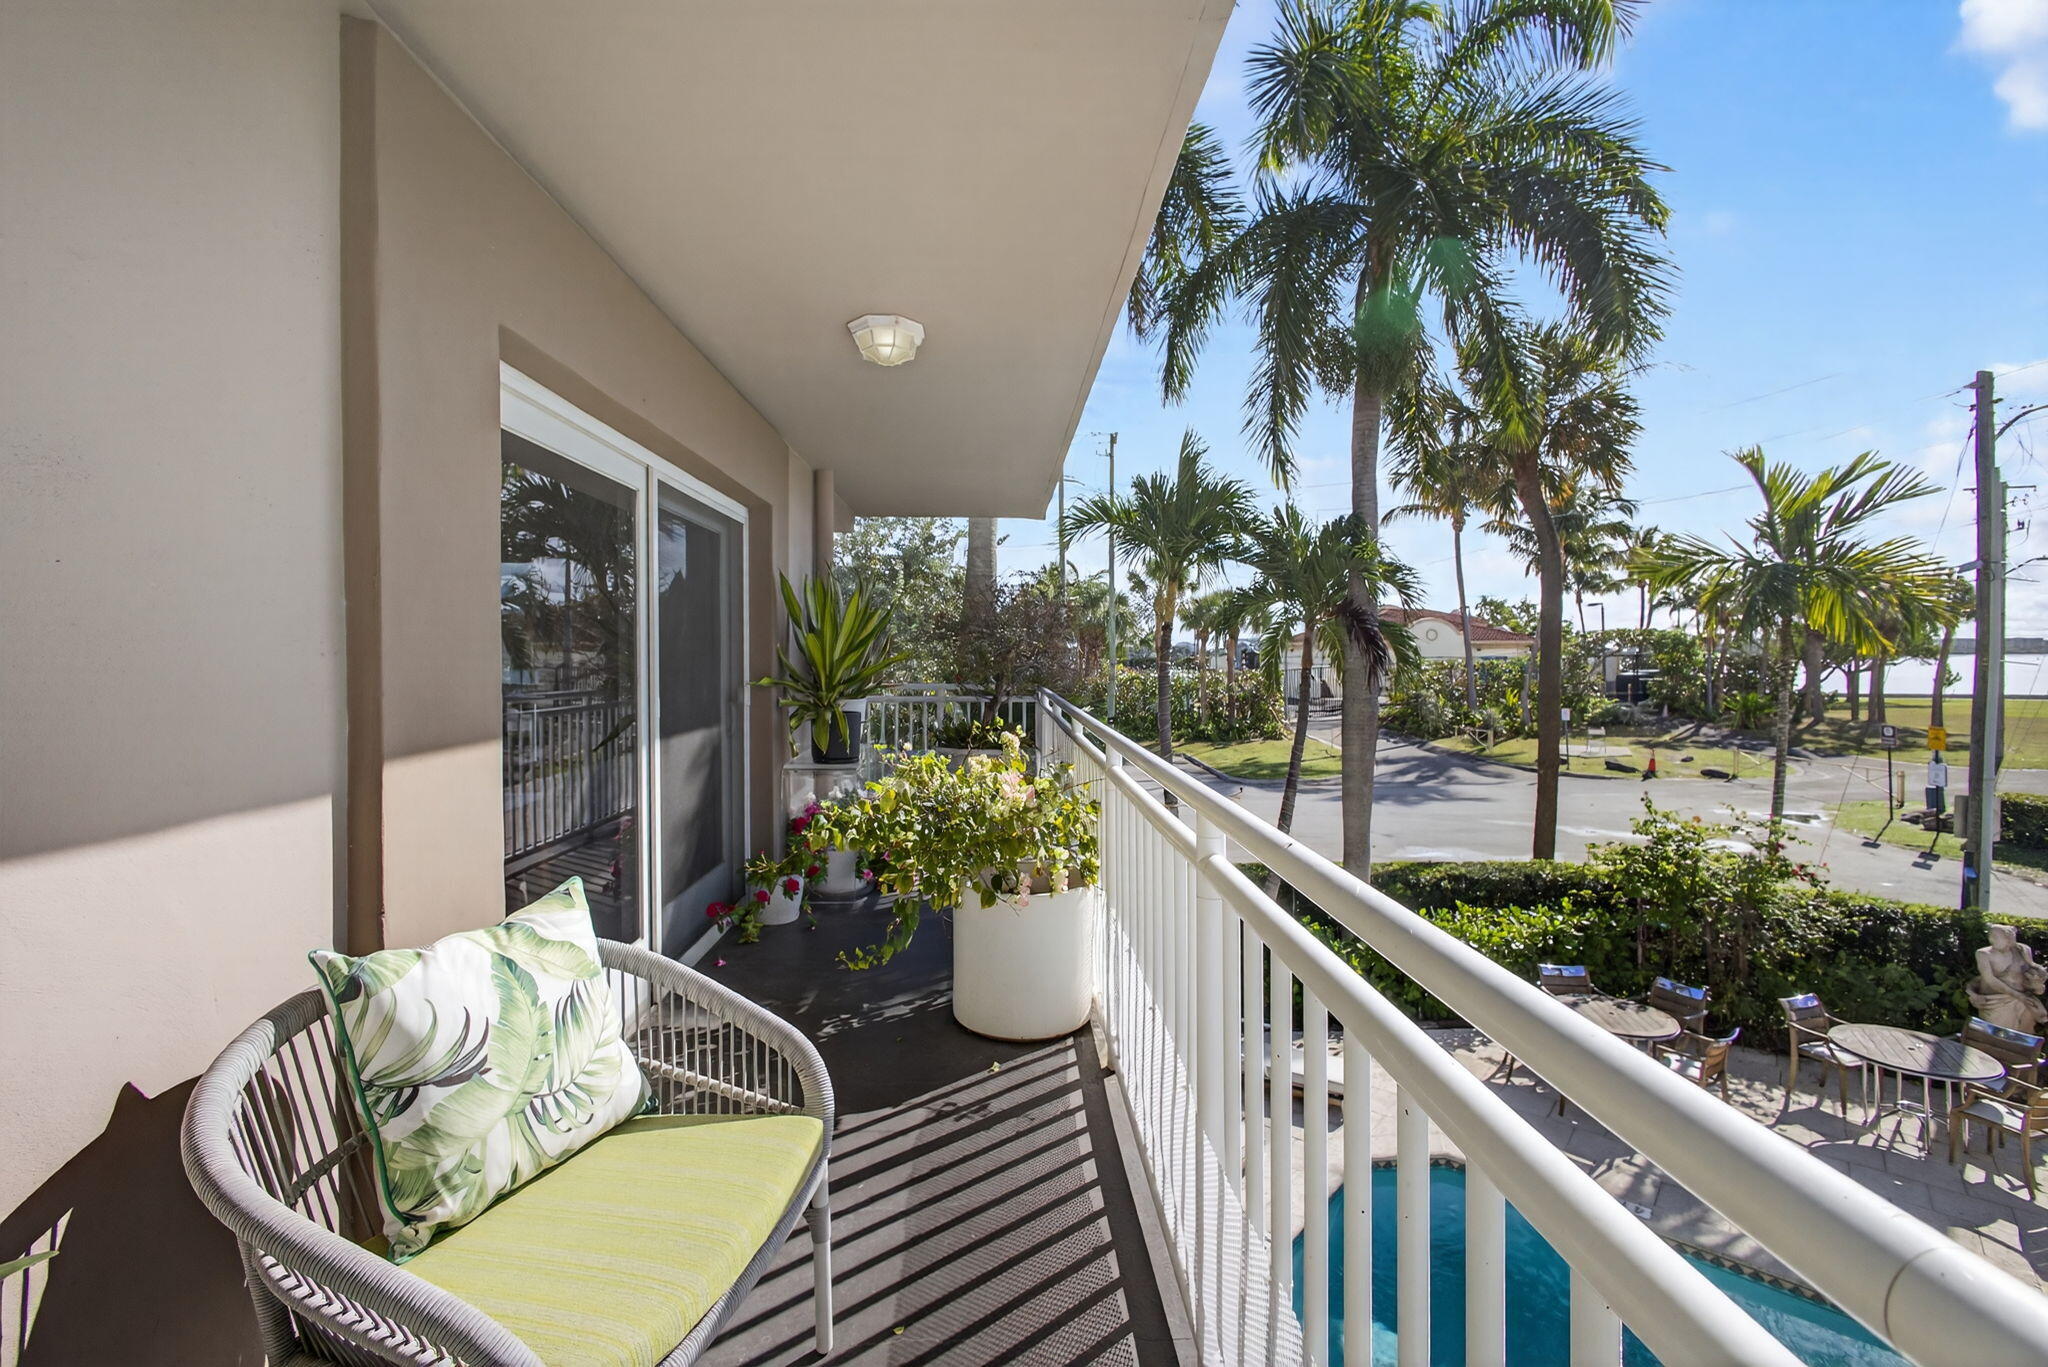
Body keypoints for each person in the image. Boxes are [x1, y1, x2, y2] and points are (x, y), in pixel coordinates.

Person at [1968, 923, 2048, 1034]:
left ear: (2009, 938)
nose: (1991, 940)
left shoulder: (2022, 950)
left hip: (2023, 1001)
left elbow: (2032, 966)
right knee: (1998, 1036)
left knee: (2024, 1035)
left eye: (1996, 937)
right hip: (1997, 1001)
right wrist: (2018, 995)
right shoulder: (1984, 954)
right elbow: (1990, 980)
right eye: (1990, 936)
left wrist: (2040, 977)